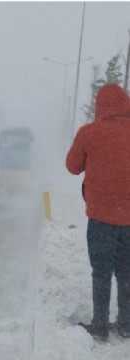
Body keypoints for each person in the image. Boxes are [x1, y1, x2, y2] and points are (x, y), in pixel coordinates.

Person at [66, 83, 130, 341]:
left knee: (101, 273)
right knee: (127, 274)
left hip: (101, 220)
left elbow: (72, 166)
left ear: (101, 106)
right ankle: (126, 324)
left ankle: (100, 326)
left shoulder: (89, 132)